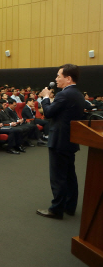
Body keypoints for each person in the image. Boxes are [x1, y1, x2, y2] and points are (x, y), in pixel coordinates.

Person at [36, 64, 85, 220]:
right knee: (70, 175)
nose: (56, 79)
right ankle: (69, 206)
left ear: (68, 78)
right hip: (70, 140)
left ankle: (56, 209)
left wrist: (45, 97)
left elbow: (49, 113)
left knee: (58, 177)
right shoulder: (77, 94)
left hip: (59, 141)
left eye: (59, 76)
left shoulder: (64, 95)